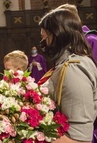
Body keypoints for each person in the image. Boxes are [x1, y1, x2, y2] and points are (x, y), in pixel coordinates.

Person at [38, 8, 97, 143]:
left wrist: (20, 130)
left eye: (44, 37)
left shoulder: (73, 69)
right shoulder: (66, 64)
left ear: (56, 35)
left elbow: (79, 139)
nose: (42, 43)